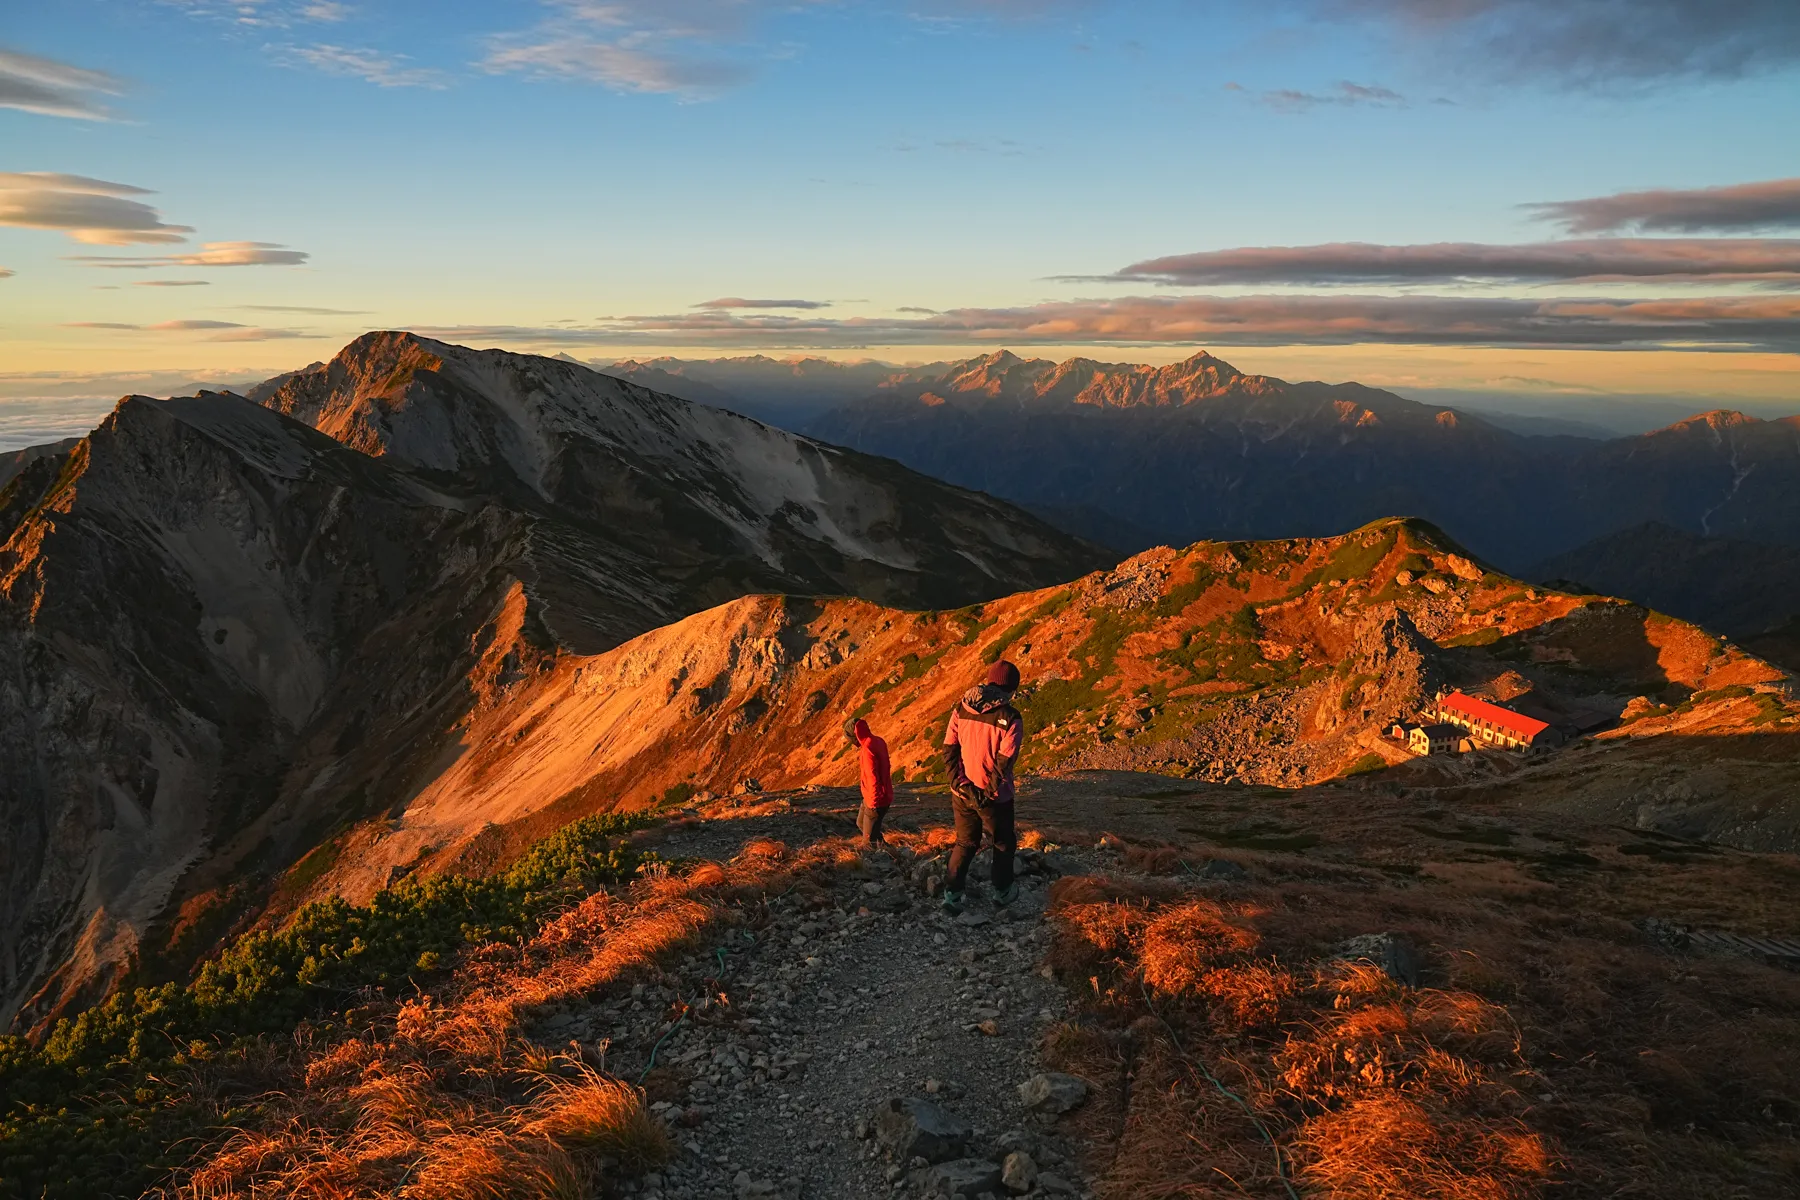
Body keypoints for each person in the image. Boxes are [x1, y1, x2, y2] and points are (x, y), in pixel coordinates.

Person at [941, 660, 1025, 911]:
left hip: (961, 793)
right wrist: (987, 794)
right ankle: (1003, 892)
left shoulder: (962, 708)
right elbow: (1004, 763)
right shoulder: (1010, 717)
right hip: (995, 798)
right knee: (1002, 842)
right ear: (1011, 689)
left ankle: (952, 896)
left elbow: (949, 750)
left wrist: (961, 785)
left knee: (966, 842)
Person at [847, 717, 893, 847]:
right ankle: (884, 847)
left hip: (876, 800)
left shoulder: (867, 748)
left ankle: (883, 858)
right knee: (861, 823)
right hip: (874, 796)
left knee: (868, 843)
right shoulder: (878, 740)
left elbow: (872, 776)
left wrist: (873, 803)